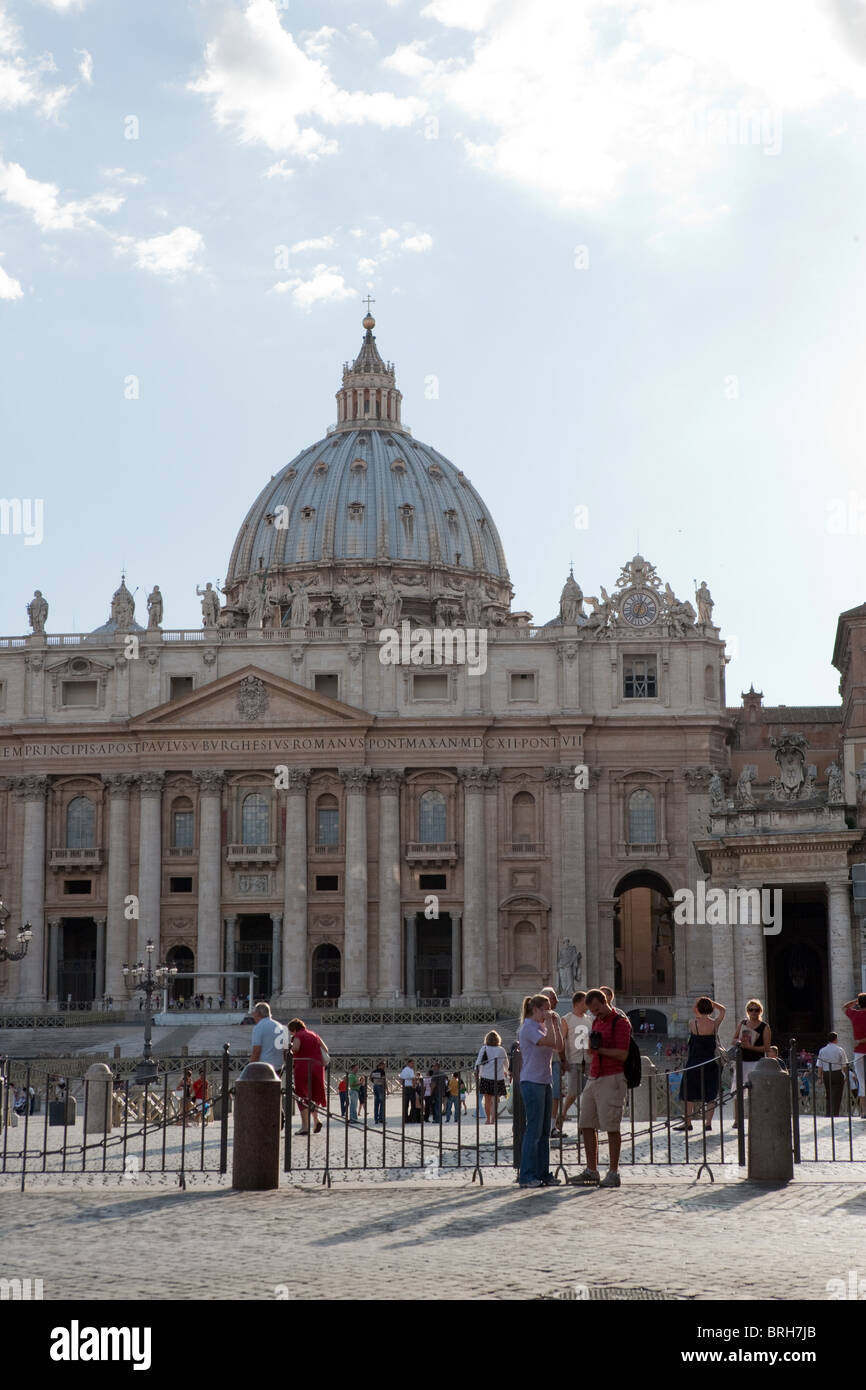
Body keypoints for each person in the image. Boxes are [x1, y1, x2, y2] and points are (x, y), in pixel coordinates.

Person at [568, 987, 632, 1189]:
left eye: (597, 1008)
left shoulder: (620, 1022)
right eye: (591, 1010)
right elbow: (594, 1048)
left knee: (611, 1126)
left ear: (606, 1002)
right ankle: (591, 1170)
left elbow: (623, 1054)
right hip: (594, 1076)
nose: (594, 1013)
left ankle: (613, 1173)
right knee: (586, 1122)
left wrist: (600, 1049)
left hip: (612, 1078)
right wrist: (591, 1048)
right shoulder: (596, 1021)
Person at [517, 993, 563, 1188]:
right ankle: (526, 1175)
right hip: (532, 1082)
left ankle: (543, 1173)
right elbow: (550, 1043)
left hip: (544, 1081)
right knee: (533, 1131)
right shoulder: (528, 1027)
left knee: (544, 1132)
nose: (548, 1011)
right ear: (535, 1009)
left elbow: (559, 1046)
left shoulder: (542, 1026)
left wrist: (556, 1024)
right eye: (545, 1008)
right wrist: (552, 1024)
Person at [675, 997, 726, 1132]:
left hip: (694, 1062)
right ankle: (708, 1123)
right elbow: (723, 1010)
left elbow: (697, 1017)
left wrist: (702, 1005)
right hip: (710, 1063)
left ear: (698, 1008)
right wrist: (711, 1003)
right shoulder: (714, 1024)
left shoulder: (693, 1023)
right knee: (710, 1094)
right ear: (709, 1008)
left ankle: (688, 1123)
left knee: (689, 1093)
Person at [732, 1000, 771, 1128]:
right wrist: (739, 1041)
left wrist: (750, 1047)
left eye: (756, 1010)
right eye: (751, 1009)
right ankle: (737, 1120)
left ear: (760, 1011)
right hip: (741, 1061)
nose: (753, 1012)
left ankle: (756, 1118)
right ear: (747, 1011)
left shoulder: (764, 1027)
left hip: (756, 1063)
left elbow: (766, 1048)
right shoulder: (742, 1023)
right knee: (738, 1092)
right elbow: (734, 1039)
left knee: (756, 1092)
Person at [288, 1018, 326, 1134]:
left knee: (302, 1096)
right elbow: (326, 1049)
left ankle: (305, 1127)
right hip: (318, 1068)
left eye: (291, 1032)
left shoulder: (299, 1035)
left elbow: (295, 1048)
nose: (291, 1034)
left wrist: (289, 1047)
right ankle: (316, 1120)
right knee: (314, 1095)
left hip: (303, 1068)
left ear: (294, 1029)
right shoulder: (314, 1034)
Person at [561, 991, 591, 1123]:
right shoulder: (566, 1019)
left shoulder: (590, 1019)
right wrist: (564, 1060)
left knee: (589, 1094)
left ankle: (585, 1121)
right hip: (574, 1061)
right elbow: (562, 1040)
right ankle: (562, 1114)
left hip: (589, 1061)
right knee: (573, 1092)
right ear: (578, 1002)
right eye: (586, 1002)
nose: (588, 1004)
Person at [540, 986, 566, 1136]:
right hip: (552, 1059)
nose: (557, 1000)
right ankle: (550, 1127)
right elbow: (559, 1042)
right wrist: (564, 1060)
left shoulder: (533, 1017)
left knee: (553, 1094)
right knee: (553, 1094)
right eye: (554, 997)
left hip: (550, 1060)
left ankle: (549, 1126)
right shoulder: (553, 1016)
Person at [474, 1030, 509, 1124]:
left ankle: (488, 1119)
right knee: (495, 1100)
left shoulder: (484, 1048)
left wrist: (476, 1073)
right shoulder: (501, 1049)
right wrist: (506, 1072)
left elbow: (478, 1062)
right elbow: (506, 1064)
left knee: (487, 1100)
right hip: (498, 1078)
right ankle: (493, 1119)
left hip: (486, 1077)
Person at [843, 995, 866, 1118]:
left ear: (859, 1004)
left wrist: (855, 1001)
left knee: (861, 1082)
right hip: (860, 1048)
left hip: (859, 1052)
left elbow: (844, 1007)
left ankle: (864, 1111)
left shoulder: (855, 1015)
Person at [250, 1001, 287, 1074]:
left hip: (264, 1067)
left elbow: (256, 1050)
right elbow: (285, 1050)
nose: (253, 1016)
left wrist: (250, 1068)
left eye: (254, 1013)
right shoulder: (281, 1027)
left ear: (258, 1014)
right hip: (279, 1067)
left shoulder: (259, 1027)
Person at [817, 1033, 848, 1117]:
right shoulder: (840, 1050)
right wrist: (846, 1075)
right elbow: (844, 1065)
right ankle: (835, 1114)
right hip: (837, 1073)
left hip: (827, 1074)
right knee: (837, 1095)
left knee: (828, 1094)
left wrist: (819, 1077)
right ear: (835, 1039)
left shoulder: (822, 1050)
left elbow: (820, 1066)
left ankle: (828, 1113)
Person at [399, 1059, 417, 1124]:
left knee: (405, 1104)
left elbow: (400, 1078)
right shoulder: (410, 1070)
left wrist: (402, 1084)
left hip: (405, 1088)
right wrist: (414, 1086)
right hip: (410, 1088)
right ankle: (413, 1118)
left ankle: (405, 1119)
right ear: (409, 1063)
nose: (413, 1065)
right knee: (413, 1104)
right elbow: (413, 1079)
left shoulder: (404, 1070)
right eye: (412, 1063)